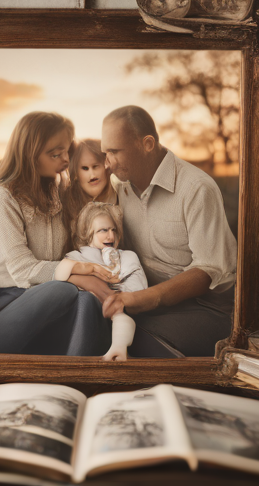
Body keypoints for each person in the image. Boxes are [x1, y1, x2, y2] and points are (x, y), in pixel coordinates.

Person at [98, 105, 238, 357]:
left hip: (207, 309)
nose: (108, 163)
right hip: (149, 304)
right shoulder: (121, 189)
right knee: (98, 327)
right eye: (105, 152)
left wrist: (142, 299)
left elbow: (208, 270)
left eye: (115, 151)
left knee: (130, 342)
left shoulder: (196, 189)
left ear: (148, 144)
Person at [0, 111, 113, 356]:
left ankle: (79, 380)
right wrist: (81, 273)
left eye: (67, 151)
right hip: (9, 307)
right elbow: (22, 270)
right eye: (55, 154)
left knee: (88, 302)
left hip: (59, 305)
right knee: (63, 289)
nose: (65, 159)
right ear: (29, 154)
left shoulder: (55, 192)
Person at [55, 202, 148, 361]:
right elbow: (58, 275)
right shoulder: (76, 257)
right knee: (83, 298)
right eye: (103, 230)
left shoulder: (128, 257)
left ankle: (118, 343)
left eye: (114, 230)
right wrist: (87, 270)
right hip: (88, 316)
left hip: (124, 310)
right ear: (87, 233)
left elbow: (138, 291)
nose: (110, 236)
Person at [62, 139, 116, 253]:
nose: (92, 175)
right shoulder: (68, 203)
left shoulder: (121, 195)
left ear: (106, 165)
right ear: (76, 173)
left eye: (95, 166)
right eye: (85, 168)